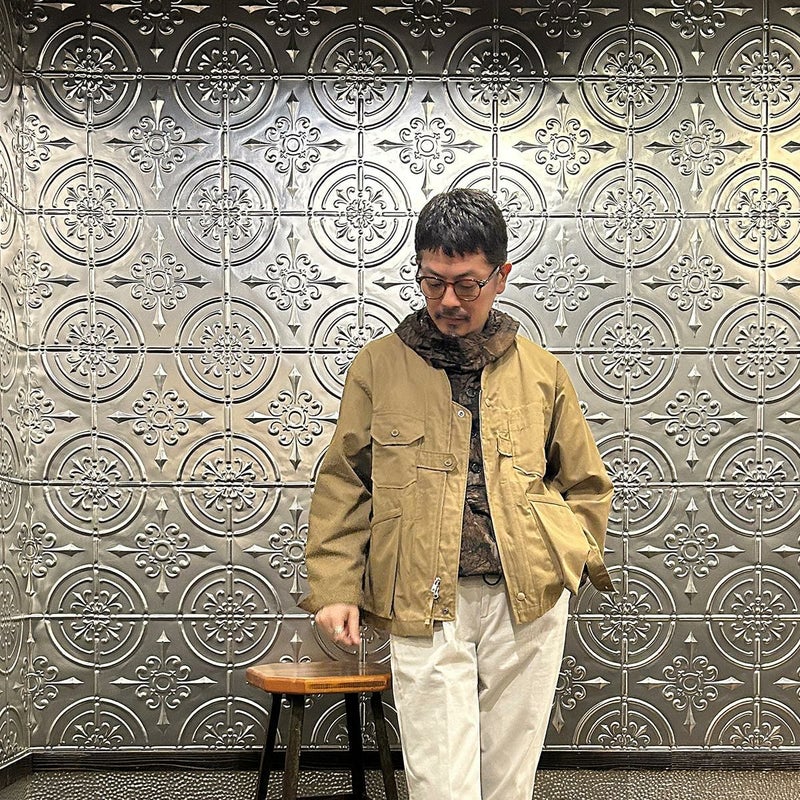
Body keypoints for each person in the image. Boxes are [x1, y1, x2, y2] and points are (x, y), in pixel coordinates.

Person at [300, 188, 614, 800]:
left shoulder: (541, 370)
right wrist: (336, 587)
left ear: (501, 276)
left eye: (467, 284)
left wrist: (563, 557)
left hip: (526, 601)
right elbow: (345, 481)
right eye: (433, 281)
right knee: (440, 783)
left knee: (510, 783)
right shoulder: (378, 366)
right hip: (422, 596)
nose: (448, 300)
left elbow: (583, 482)